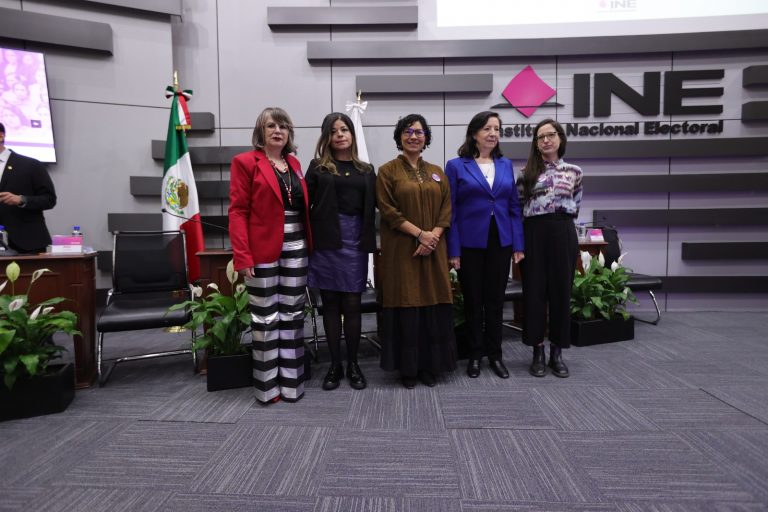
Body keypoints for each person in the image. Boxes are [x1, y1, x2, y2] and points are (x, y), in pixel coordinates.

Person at [228, 107, 312, 404]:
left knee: (292, 314)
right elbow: (238, 211)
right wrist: (243, 255)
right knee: (265, 318)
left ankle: (292, 384)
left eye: (283, 126)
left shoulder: (295, 163)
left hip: (297, 248)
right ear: (260, 132)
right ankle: (267, 388)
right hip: (261, 250)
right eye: (271, 126)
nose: (278, 131)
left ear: (289, 133)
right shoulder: (245, 162)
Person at [376, 113, 456, 389]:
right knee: (407, 302)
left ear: (426, 138)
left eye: (419, 132)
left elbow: (447, 208)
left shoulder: (437, 171)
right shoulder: (387, 171)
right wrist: (420, 234)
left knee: (432, 303)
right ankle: (408, 369)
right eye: (408, 131)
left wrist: (433, 236)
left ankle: (429, 366)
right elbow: (388, 211)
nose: (413, 136)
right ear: (400, 137)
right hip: (402, 251)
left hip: (434, 251)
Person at [445, 111, 524, 379]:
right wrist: (453, 250)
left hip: (500, 241)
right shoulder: (456, 165)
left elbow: (514, 206)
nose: (493, 133)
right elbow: (451, 211)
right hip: (470, 243)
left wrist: (518, 244)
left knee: (495, 301)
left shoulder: (505, 165)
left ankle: (496, 355)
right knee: (473, 302)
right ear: (475, 133)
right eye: (488, 128)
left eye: (497, 129)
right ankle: (475, 356)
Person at [306, 112, 377, 391]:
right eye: (334, 131)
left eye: (344, 129)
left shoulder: (366, 170)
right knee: (331, 304)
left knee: (353, 304)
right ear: (327, 137)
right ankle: (334, 365)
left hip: (355, 241)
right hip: (326, 241)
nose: (340, 134)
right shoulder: (318, 168)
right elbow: (302, 203)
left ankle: (353, 364)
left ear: (351, 134)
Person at [517, 118, 582, 378]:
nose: (546, 140)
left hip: (563, 232)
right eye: (540, 136)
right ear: (535, 143)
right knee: (534, 294)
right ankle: (538, 351)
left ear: (560, 138)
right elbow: (519, 207)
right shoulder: (526, 173)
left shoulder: (575, 171)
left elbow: (576, 204)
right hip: (534, 233)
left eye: (551, 135)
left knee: (561, 293)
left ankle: (557, 352)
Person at [0, 121, 56, 253]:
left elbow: (49, 199)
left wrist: (22, 200)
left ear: (1, 136)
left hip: (27, 243)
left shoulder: (30, 165)